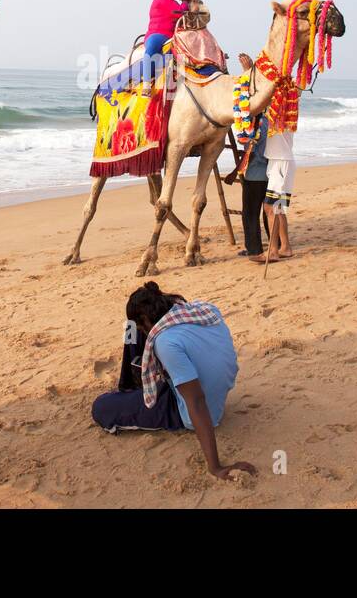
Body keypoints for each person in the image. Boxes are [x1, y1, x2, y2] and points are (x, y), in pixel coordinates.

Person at [91, 282, 255, 481]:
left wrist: (216, 467)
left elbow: (196, 401)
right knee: (130, 329)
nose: (144, 332)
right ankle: (128, 384)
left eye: (144, 326)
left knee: (101, 407)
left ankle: (131, 397)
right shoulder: (204, 310)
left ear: (147, 319)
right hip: (207, 387)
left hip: (189, 411)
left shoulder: (166, 342)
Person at [236, 54, 269, 258]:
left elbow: (252, 149)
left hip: (255, 174)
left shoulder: (255, 126)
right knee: (269, 211)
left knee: (250, 213)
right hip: (269, 174)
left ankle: (254, 248)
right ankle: (277, 242)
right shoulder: (269, 123)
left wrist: (246, 73)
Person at [142, 0, 188, 83]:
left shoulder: (174, 1)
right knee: (153, 45)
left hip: (171, 37)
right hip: (158, 34)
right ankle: (146, 82)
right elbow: (179, 13)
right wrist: (186, 2)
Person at [260, 127, 296, 259]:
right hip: (276, 160)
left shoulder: (280, 113)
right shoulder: (274, 113)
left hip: (281, 161)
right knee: (279, 208)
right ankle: (285, 247)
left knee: (271, 207)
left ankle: (273, 251)